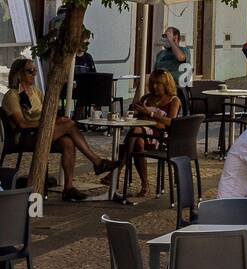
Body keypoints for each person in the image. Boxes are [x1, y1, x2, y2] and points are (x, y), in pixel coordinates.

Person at [2, 56, 114, 201]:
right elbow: (22, 124)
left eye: (34, 70)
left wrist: (53, 121)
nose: (34, 74)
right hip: (24, 135)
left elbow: (44, 114)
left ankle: (68, 188)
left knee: (67, 141)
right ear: (19, 74)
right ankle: (96, 161)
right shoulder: (12, 95)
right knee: (70, 124)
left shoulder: (35, 92)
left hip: (39, 131)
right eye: (30, 71)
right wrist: (50, 123)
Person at [112, 70, 182, 198]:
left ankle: (117, 170)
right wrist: (134, 110)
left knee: (136, 133)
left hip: (160, 137)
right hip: (142, 136)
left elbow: (171, 122)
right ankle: (145, 185)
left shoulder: (173, 100)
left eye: (158, 83)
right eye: (153, 83)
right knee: (137, 141)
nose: (155, 86)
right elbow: (134, 112)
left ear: (166, 84)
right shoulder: (146, 98)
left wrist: (150, 114)